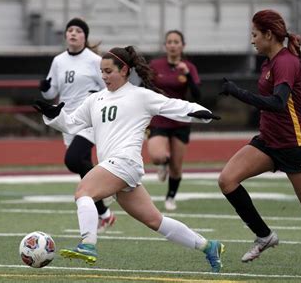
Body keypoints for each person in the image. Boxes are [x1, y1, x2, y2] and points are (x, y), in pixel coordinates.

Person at [34, 46, 224, 273]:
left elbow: (175, 106)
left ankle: (88, 244)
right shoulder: (95, 100)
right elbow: (71, 123)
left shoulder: (140, 96)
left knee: (83, 192)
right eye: (101, 72)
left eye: (108, 71)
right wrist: (53, 114)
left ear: (124, 70)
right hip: (118, 169)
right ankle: (209, 246)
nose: (103, 76)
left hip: (125, 162)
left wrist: (202, 113)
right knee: (156, 221)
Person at [219, 9, 301, 263]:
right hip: (269, 142)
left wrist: (237, 92)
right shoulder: (269, 61)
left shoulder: (285, 62)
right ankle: (264, 236)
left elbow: (278, 102)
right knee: (227, 180)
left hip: (295, 146)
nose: (252, 40)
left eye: (255, 35)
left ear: (269, 34)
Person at [39, 17, 116, 233]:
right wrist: (44, 88)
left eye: (78, 31)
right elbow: (51, 92)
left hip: (90, 119)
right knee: (82, 165)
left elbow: (110, 87)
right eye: (70, 30)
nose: (73, 33)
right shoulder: (58, 61)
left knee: (73, 160)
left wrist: (100, 100)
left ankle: (105, 188)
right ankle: (104, 212)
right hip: (67, 122)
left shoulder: (94, 60)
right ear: (65, 35)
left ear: (85, 36)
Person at [147, 30, 201, 211]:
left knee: (177, 167)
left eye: (176, 42)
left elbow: (197, 95)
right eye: (169, 42)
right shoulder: (155, 65)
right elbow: (143, 88)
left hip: (180, 120)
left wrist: (187, 76)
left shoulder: (189, 67)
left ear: (182, 46)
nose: (172, 45)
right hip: (159, 118)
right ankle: (163, 164)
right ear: (165, 45)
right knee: (157, 155)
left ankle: (170, 197)